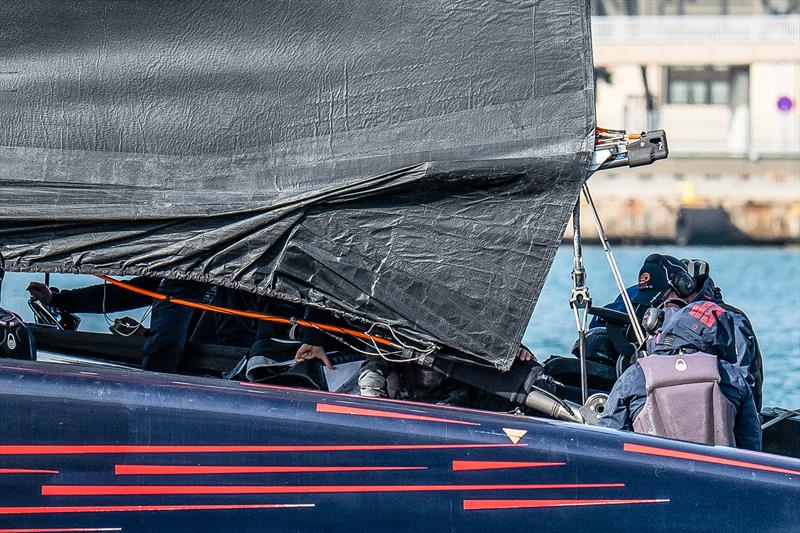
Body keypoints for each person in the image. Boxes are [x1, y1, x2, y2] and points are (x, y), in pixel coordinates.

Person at [597, 300, 762, 451]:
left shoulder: (635, 375)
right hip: (719, 481)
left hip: (654, 480)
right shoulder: (732, 377)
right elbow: (751, 447)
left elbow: (607, 442)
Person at [27, 276, 217, 372]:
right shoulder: (180, 272)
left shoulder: (230, 282)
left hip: (211, 378)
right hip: (178, 376)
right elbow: (123, 294)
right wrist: (57, 300)